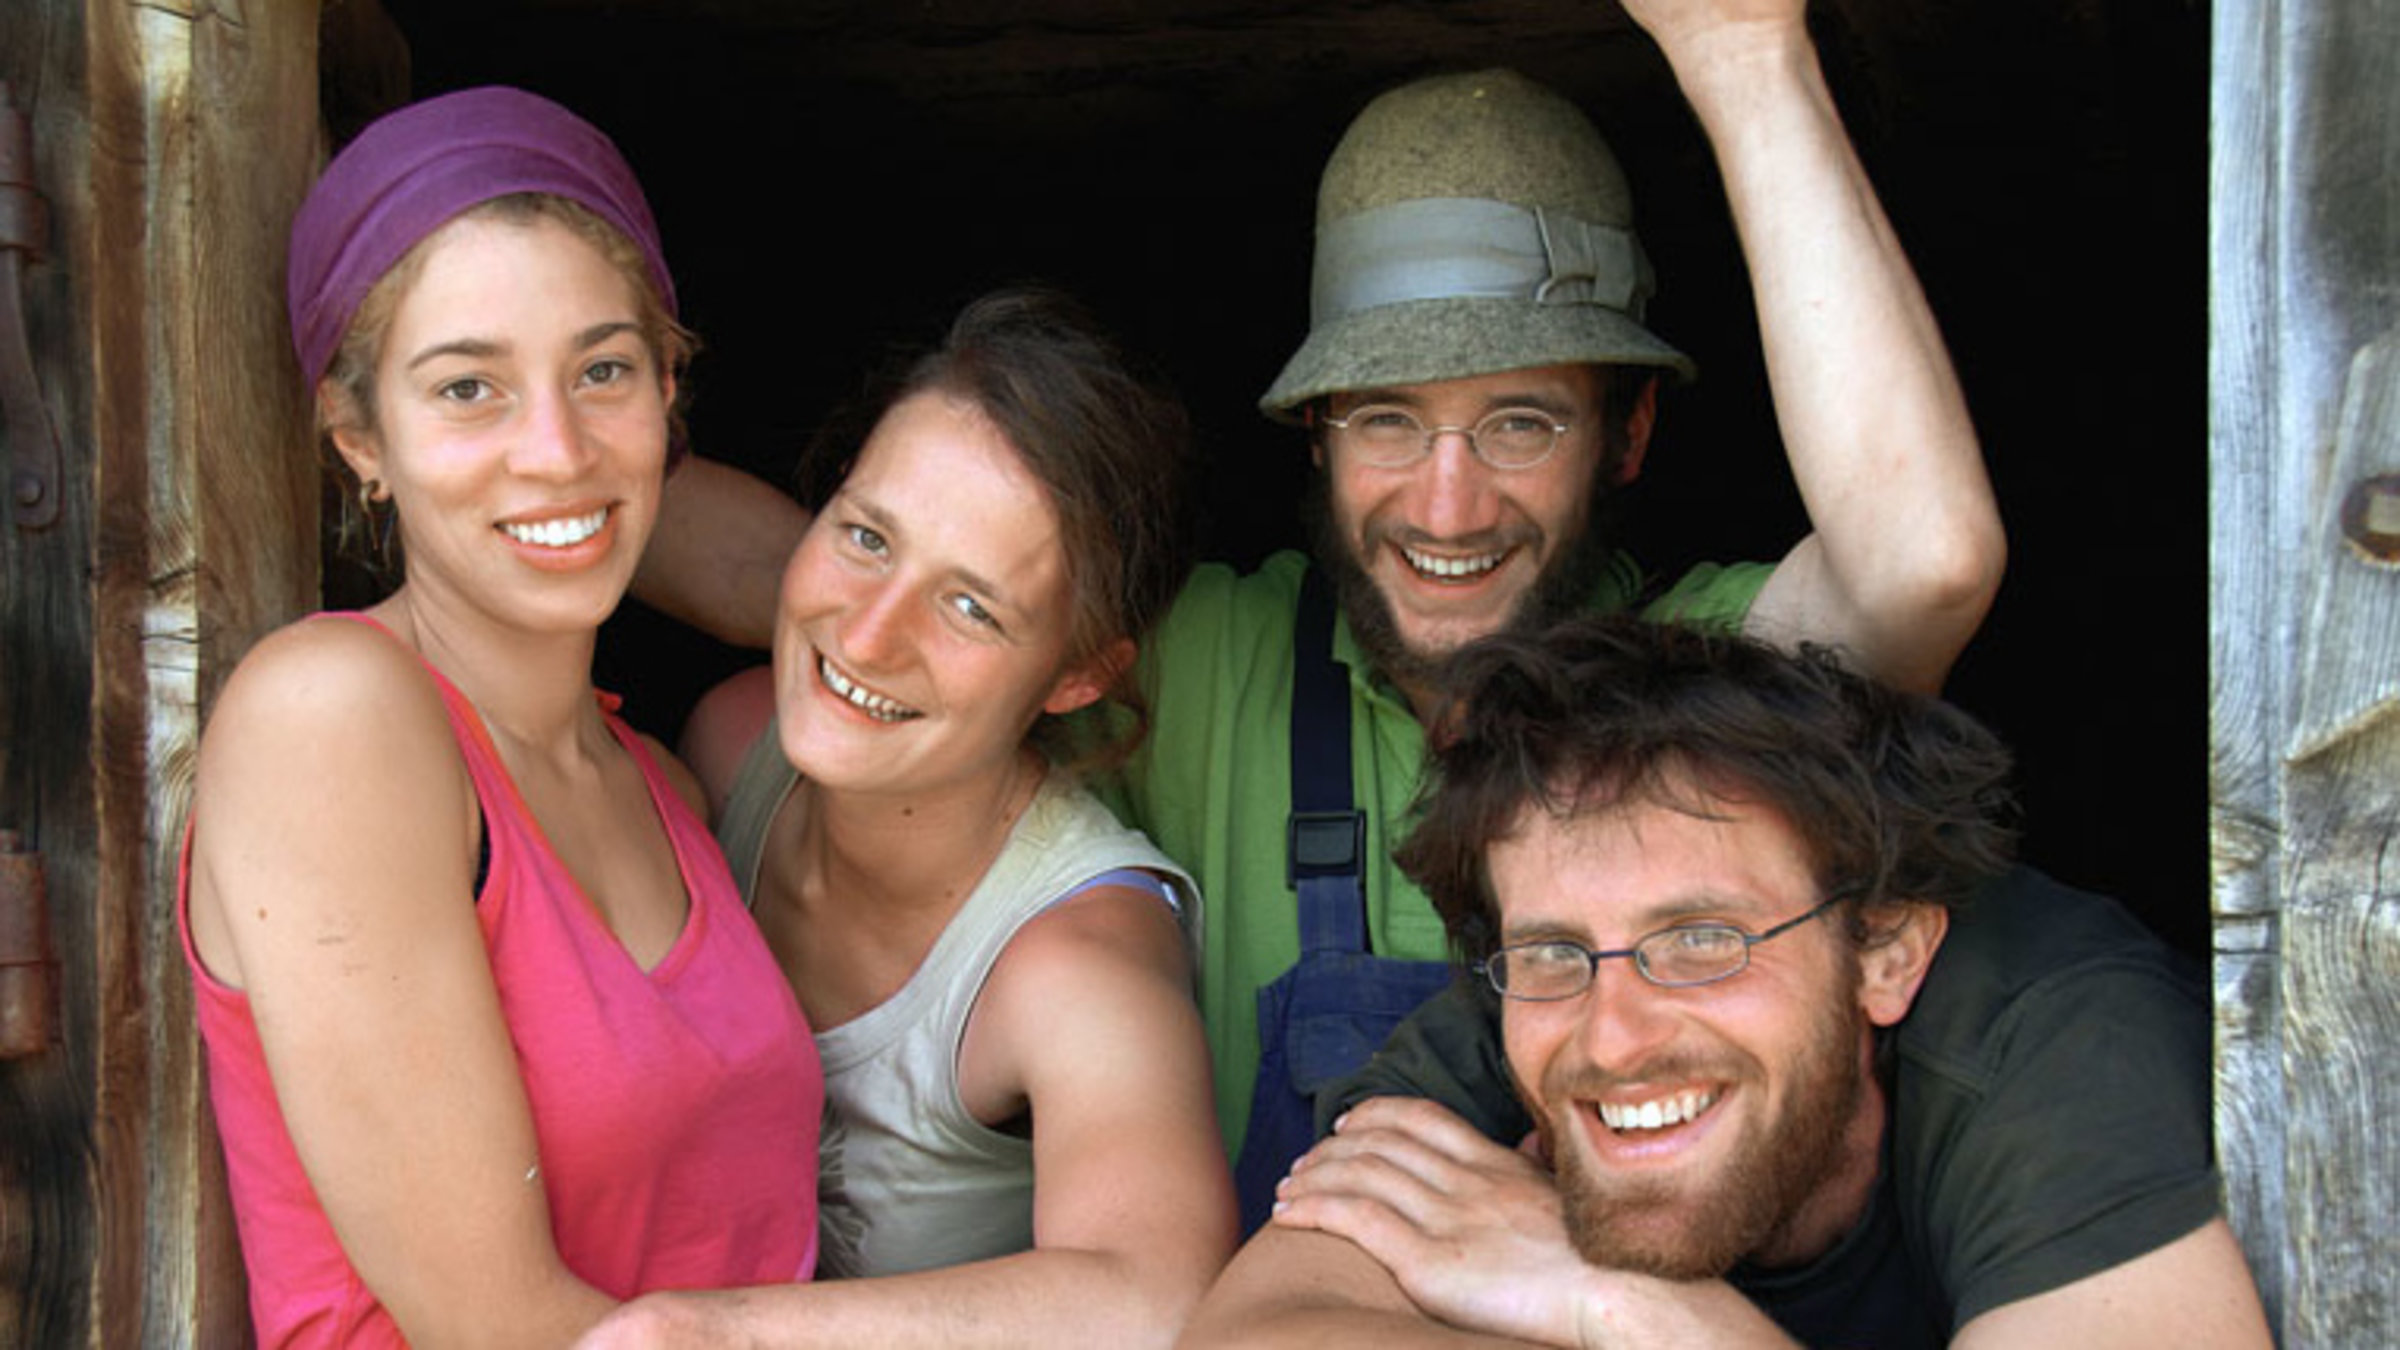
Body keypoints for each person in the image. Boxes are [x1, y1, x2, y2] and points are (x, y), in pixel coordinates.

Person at [636, 0, 2004, 1224]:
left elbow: (1924, 559)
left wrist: (1743, 47)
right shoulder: (1211, 663)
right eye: (1388, 422)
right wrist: (515, 461)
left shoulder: (1715, 678)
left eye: (1520, 421)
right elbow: (838, 591)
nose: (1449, 504)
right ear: (1313, 439)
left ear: (1630, 433)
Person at [179, 87, 821, 1346]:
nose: (555, 448)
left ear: (669, 393)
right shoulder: (332, 721)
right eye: (468, 389)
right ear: (359, 436)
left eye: (603, 370)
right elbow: (504, 1326)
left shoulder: (661, 785)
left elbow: (840, 608)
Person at [1180, 615, 2272, 1349]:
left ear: (1886, 951)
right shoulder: (1526, 1001)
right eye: (1555, 950)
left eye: (1701, 941)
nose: (1614, 1039)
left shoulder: (2054, 1037)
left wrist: (1636, 1308)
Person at [578, 289, 1236, 1347]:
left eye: (972, 606)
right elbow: (575, 485)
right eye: (867, 537)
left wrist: (711, 1337)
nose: (873, 635)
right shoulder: (736, 747)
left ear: (1076, 675)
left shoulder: (1078, 959)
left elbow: (1156, 1295)